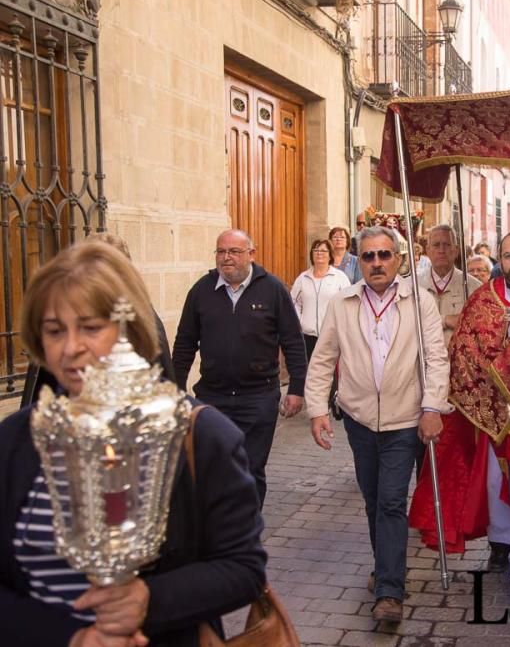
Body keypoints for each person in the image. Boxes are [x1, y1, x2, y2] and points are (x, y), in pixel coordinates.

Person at [0, 241, 266, 647]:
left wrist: (149, 600)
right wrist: (69, 637)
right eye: (55, 330)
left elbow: (243, 568)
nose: (71, 348)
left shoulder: (201, 436)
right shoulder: (14, 442)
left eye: (90, 327)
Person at [409, 230, 510, 594]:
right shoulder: (481, 299)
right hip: (488, 412)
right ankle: (502, 545)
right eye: (509, 256)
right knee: (494, 483)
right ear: (500, 257)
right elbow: (464, 348)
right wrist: (490, 382)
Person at [305, 226, 448, 623]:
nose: (377, 263)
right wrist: (317, 410)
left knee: (390, 501)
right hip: (359, 419)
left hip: (405, 419)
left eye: (385, 255)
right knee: (372, 500)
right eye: (368, 256)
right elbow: (322, 360)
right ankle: (385, 565)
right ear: (359, 262)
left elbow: (436, 358)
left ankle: (389, 590)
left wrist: (433, 406)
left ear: (399, 259)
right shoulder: (342, 303)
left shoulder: (420, 303)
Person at [172, 229, 307, 507]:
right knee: (213, 469)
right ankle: (218, 529)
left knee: (250, 469)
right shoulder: (201, 290)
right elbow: (185, 344)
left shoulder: (272, 289)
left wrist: (296, 389)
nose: (226, 258)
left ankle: (247, 532)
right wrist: (174, 389)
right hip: (213, 398)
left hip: (258, 398)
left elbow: (293, 341)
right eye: (221, 252)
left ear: (251, 254)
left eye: (234, 251)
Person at [20, 233, 177, 405]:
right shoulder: (58, 313)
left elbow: (164, 388)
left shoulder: (143, 322)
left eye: (92, 328)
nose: (71, 348)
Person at [291, 239, 352, 359]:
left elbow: (348, 303)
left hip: (331, 336)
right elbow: (293, 302)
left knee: (330, 375)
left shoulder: (340, 278)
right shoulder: (303, 278)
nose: (319, 253)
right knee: (308, 373)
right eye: (316, 250)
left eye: (323, 250)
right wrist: (299, 321)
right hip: (307, 336)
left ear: (330, 255)